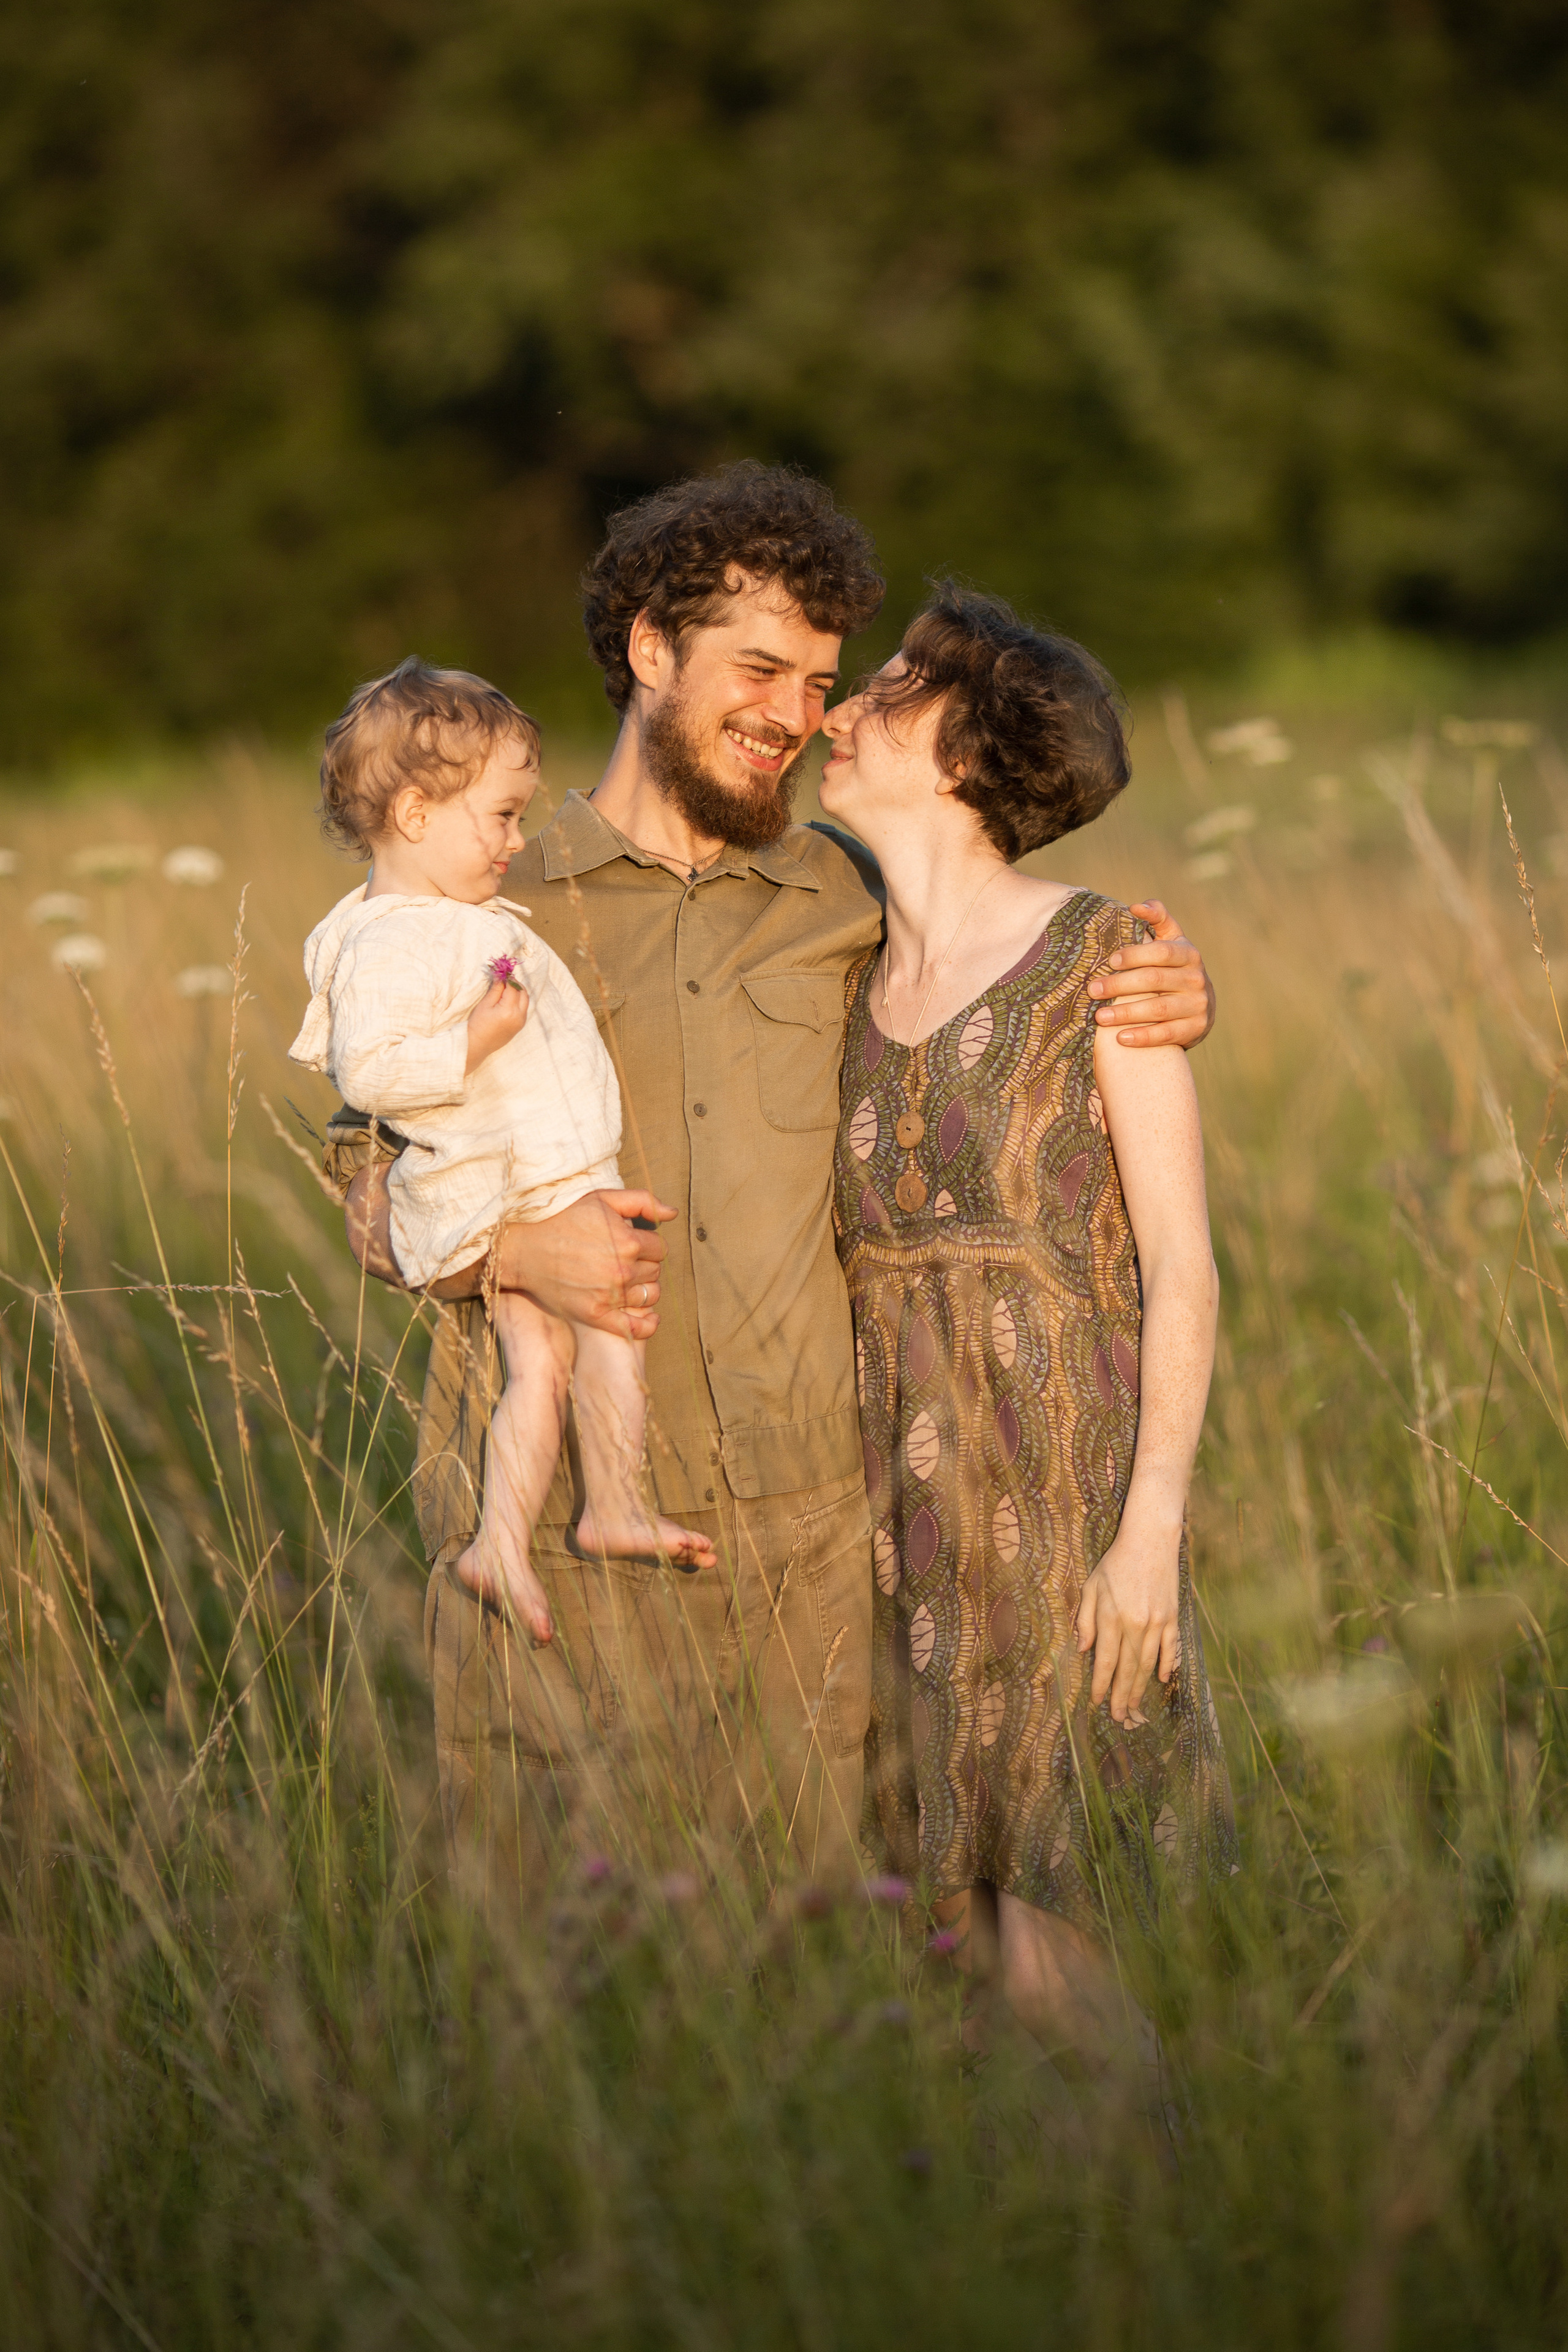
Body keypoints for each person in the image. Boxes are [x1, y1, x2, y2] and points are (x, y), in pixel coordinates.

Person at [337, 463, 1216, 1901]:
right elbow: (366, 1197)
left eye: (818, 683)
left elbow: (1007, 974)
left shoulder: (843, 900)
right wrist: (510, 1256)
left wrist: (1169, 990)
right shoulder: (484, 904)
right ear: (648, 650)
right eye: (757, 670)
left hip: (812, 1547)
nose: (795, 715)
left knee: (810, 1975)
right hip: (562, 1548)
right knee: (567, 1980)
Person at [820, 583, 1237, 2113]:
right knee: (945, 1906)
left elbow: (1182, 1269)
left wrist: (1149, 1537)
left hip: (1061, 1493)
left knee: (1040, 1903)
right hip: (892, 1504)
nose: (844, 706)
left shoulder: (1101, 960)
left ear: (966, 752)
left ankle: (1184, 2189)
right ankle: (1061, 2208)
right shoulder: (841, 969)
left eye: (893, 686)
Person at [289, 658, 715, 1643]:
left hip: (542, 1175)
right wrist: (471, 1043)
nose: (519, 841)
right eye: (503, 817)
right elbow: (370, 1072)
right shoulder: (390, 941)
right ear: (414, 815)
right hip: (508, 1186)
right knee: (591, 1341)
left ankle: (527, 1533)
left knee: (557, 1359)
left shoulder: (447, 916)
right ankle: (582, 1513)